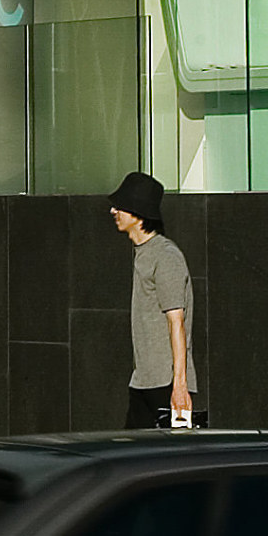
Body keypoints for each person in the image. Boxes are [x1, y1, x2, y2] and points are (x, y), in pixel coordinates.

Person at [109, 170, 196, 430]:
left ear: (138, 212)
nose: (113, 211)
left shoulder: (165, 256)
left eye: (121, 206)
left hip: (165, 386)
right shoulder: (143, 253)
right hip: (143, 382)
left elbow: (176, 322)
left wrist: (179, 386)